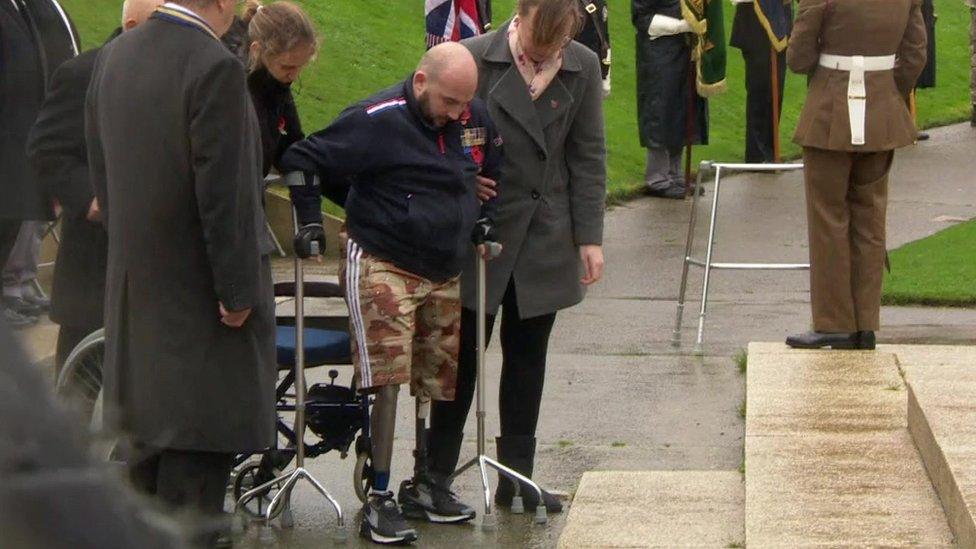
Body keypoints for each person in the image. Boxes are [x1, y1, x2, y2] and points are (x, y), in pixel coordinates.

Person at [282, 42, 502, 544]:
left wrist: (484, 218)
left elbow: (490, 162)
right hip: (385, 259)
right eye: (447, 102)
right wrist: (318, 218)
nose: (455, 114)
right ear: (421, 82)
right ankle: (377, 497)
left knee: (435, 376)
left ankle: (423, 482)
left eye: (463, 105)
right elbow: (303, 157)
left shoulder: (470, 116)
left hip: (444, 265)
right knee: (387, 375)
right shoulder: (376, 118)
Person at [85, 0, 276, 544]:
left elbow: (103, 171)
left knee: (144, 474)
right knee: (193, 488)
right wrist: (238, 290)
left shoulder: (116, 55)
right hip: (200, 311)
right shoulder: (213, 65)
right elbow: (228, 195)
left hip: (136, 291)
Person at [427, 0, 607, 515]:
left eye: (555, 46)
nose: (544, 53)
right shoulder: (473, 57)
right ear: (518, 15)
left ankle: (516, 479)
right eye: (536, 43)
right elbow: (434, 133)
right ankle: (436, 475)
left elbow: (588, 153)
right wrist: (460, 181)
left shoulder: (583, 65)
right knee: (459, 361)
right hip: (480, 233)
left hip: (547, 233)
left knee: (529, 358)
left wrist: (588, 238)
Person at [26, 0, 164, 373]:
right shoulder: (82, 73)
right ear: (133, 26)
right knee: (83, 388)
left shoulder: (182, 76)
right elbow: (47, 150)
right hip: (95, 264)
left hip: (161, 273)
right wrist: (91, 199)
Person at [784, 0, 926, 350]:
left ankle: (834, 322)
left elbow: (798, 57)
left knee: (828, 217)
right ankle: (865, 322)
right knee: (871, 218)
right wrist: (887, 91)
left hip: (830, 110)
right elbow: (915, 55)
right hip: (880, 109)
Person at [0, 0, 78, 327]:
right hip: (11, 132)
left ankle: (14, 288)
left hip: (28, 131)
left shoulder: (28, 7)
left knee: (19, 220)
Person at [632, 0, 708, 199]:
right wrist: (681, 26)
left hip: (684, 51)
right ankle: (657, 178)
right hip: (659, 54)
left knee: (680, 110)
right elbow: (642, 19)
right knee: (660, 111)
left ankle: (675, 174)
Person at [240, 0, 317, 179]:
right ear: (257, 50)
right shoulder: (236, 90)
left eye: (300, 66)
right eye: (287, 67)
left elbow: (292, 146)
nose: (294, 75)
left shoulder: (276, 84)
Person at [729, 0, 793, 163]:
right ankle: (756, 154)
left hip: (780, 19)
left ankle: (771, 151)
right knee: (760, 89)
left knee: (776, 90)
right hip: (755, 22)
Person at [576, 0, 612, 97]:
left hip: (594, 70)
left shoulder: (600, 3)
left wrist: (606, 76)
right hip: (574, 71)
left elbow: (604, 40)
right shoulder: (569, 5)